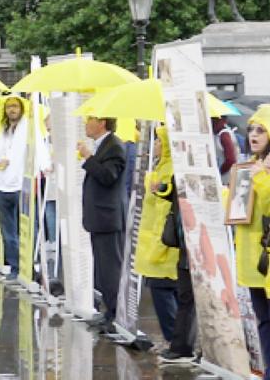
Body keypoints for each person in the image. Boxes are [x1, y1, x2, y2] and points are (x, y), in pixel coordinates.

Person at [234, 105, 270, 379]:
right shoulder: (249, 163)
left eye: (261, 129)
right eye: (251, 129)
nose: (254, 135)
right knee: (264, 322)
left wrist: (264, 176)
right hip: (251, 259)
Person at [133, 127, 196, 362]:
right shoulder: (160, 164)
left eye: (160, 141)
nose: (156, 145)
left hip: (164, 242)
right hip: (155, 239)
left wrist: (160, 188)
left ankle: (175, 339)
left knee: (164, 288)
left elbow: (167, 196)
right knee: (166, 289)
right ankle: (175, 340)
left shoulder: (172, 167)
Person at [77, 116, 127, 329]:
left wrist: (88, 158)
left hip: (108, 217)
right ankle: (108, 311)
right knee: (102, 268)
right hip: (99, 217)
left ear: (102, 123)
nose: (85, 124)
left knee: (110, 268)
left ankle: (116, 314)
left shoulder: (114, 146)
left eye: (90, 120)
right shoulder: (103, 145)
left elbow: (108, 176)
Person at [0, 97, 44, 279]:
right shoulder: (2, 130)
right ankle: (14, 267)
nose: (11, 110)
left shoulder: (29, 127)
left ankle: (28, 267)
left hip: (22, 186)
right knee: (7, 232)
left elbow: (39, 149)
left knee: (27, 229)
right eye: (8, 107)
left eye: (14, 106)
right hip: (3, 186)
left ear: (21, 109)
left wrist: (43, 167)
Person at [213, 117, 240, 185]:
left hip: (226, 179)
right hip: (229, 177)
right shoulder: (223, 133)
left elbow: (231, 159)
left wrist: (219, 172)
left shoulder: (224, 135)